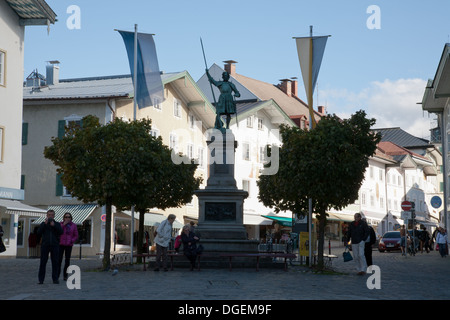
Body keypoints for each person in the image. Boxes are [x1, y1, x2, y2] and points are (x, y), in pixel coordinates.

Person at [37, 209, 63, 284]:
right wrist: (45, 224)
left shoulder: (57, 224)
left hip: (55, 245)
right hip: (45, 245)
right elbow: (39, 232)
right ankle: (41, 279)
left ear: (54, 216)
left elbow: (61, 232)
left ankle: (55, 279)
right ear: (47, 215)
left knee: (55, 262)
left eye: (52, 215)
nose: (50, 216)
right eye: (49, 215)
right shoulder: (43, 224)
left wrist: (54, 226)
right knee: (43, 262)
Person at [58, 212, 78, 281]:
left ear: (71, 218)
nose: (67, 218)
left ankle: (65, 275)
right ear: (63, 218)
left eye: (69, 217)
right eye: (66, 217)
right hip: (61, 244)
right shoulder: (60, 224)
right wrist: (64, 225)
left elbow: (76, 235)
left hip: (69, 245)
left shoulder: (73, 225)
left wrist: (71, 240)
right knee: (59, 260)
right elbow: (58, 231)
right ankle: (57, 275)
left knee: (67, 261)